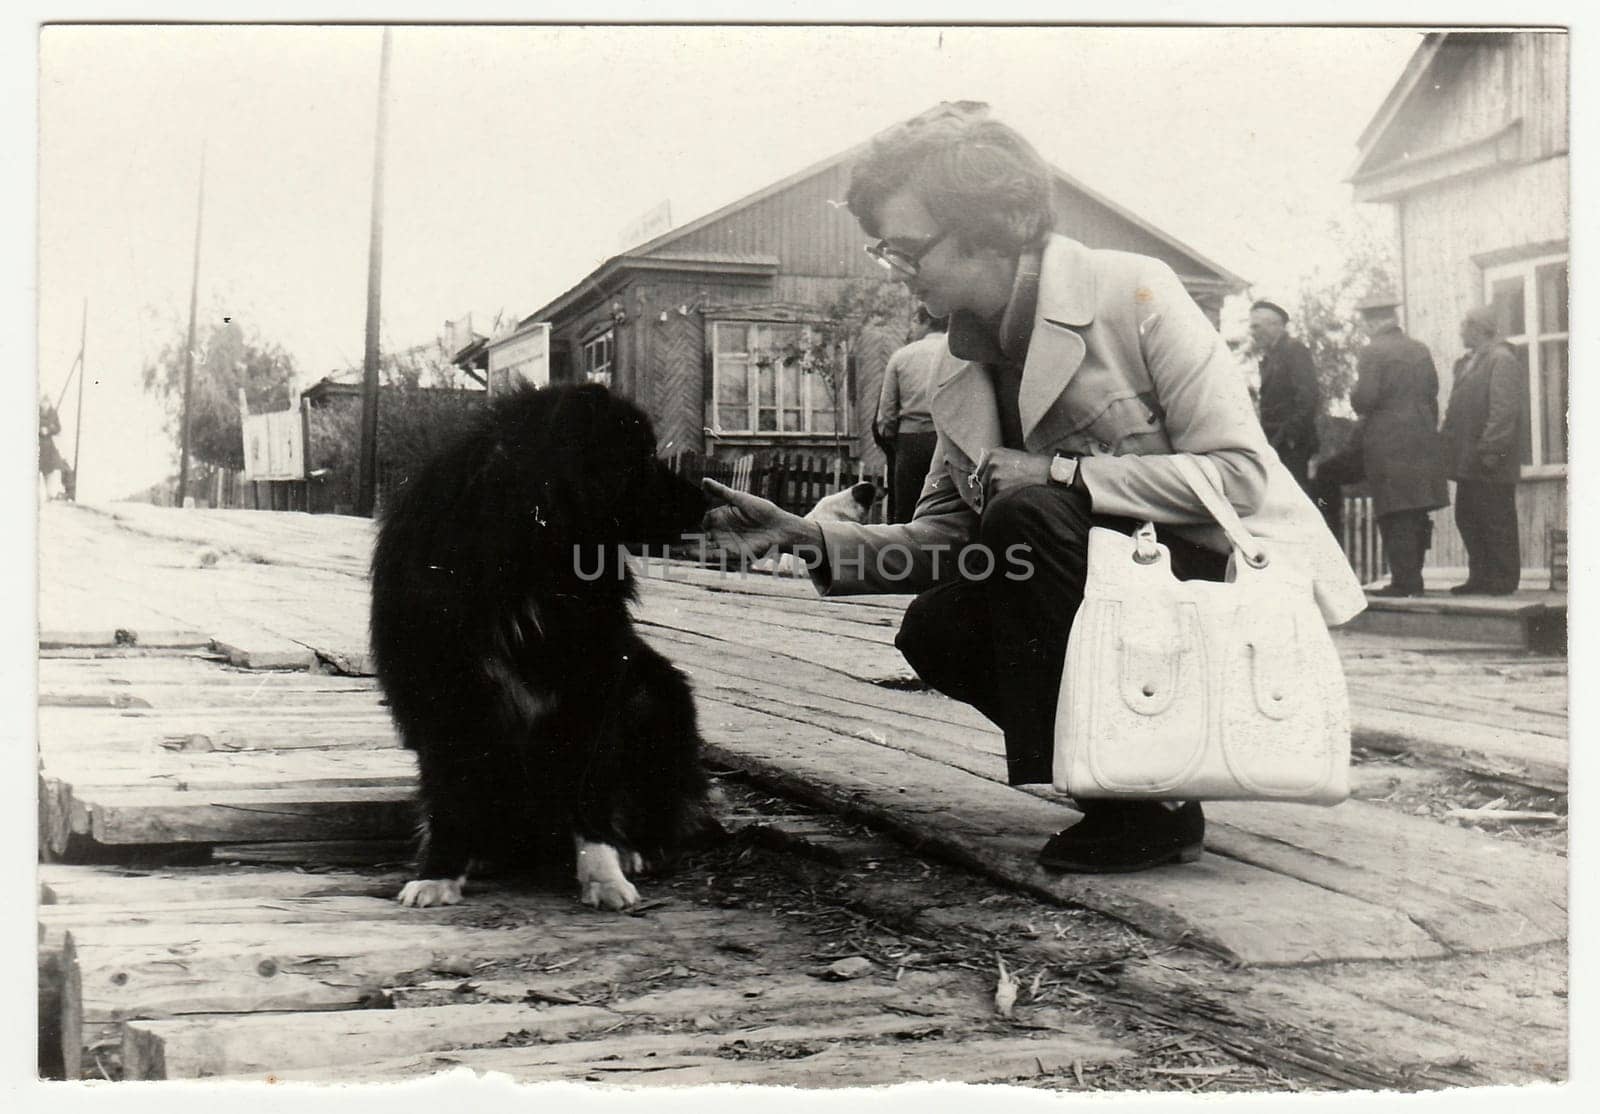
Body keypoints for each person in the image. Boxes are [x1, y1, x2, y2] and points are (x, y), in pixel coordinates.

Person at [702, 111, 1365, 874]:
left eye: (907, 250)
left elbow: (1239, 474)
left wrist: (1063, 474)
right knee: (938, 626)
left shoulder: (1134, 292)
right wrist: (806, 536)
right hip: (1095, 585)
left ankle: (1137, 796)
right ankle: (1142, 794)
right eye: (886, 252)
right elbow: (951, 542)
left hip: (1208, 587)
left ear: (993, 227)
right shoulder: (955, 364)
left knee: (1026, 510)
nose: (898, 270)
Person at [1349, 294, 1450, 597]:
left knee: (1394, 510)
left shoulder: (1372, 352)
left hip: (1388, 439)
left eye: (1365, 323)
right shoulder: (1419, 349)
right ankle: (1413, 578)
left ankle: (1404, 582)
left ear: (1373, 321)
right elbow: (1432, 391)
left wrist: (1354, 394)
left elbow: (1365, 398)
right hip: (1421, 436)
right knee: (1416, 509)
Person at [1441, 306, 1524, 596]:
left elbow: (1503, 411)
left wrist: (1491, 451)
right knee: (1468, 515)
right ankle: (1481, 576)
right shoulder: (1468, 362)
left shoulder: (1501, 360)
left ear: (1479, 327)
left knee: (1496, 518)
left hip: (1491, 459)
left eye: (1465, 324)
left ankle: (1503, 578)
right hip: (1469, 458)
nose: (1461, 330)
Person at [876, 308, 965, 523]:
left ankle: (903, 555)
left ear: (925, 322)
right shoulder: (961, 353)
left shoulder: (902, 356)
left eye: (914, 322)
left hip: (911, 443)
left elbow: (886, 413)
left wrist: (892, 442)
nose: (912, 329)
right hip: (952, 441)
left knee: (907, 511)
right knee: (951, 510)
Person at [1248, 299, 1320, 491]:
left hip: (1291, 447)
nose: (1252, 333)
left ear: (1275, 325)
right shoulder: (1271, 357)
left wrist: (1290, 438)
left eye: (1256, 327)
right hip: (1277, 445)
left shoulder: (1294, 350)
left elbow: (1308, 397)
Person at [39, 399, 64, 500]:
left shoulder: (53, 413)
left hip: (48, 447)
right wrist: (40, 430)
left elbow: (58, 428)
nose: (45, 404)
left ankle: (51, 494)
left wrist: (49, 429)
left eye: (47, 402)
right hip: (38, 445)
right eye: (43, 402)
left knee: (50, 470)